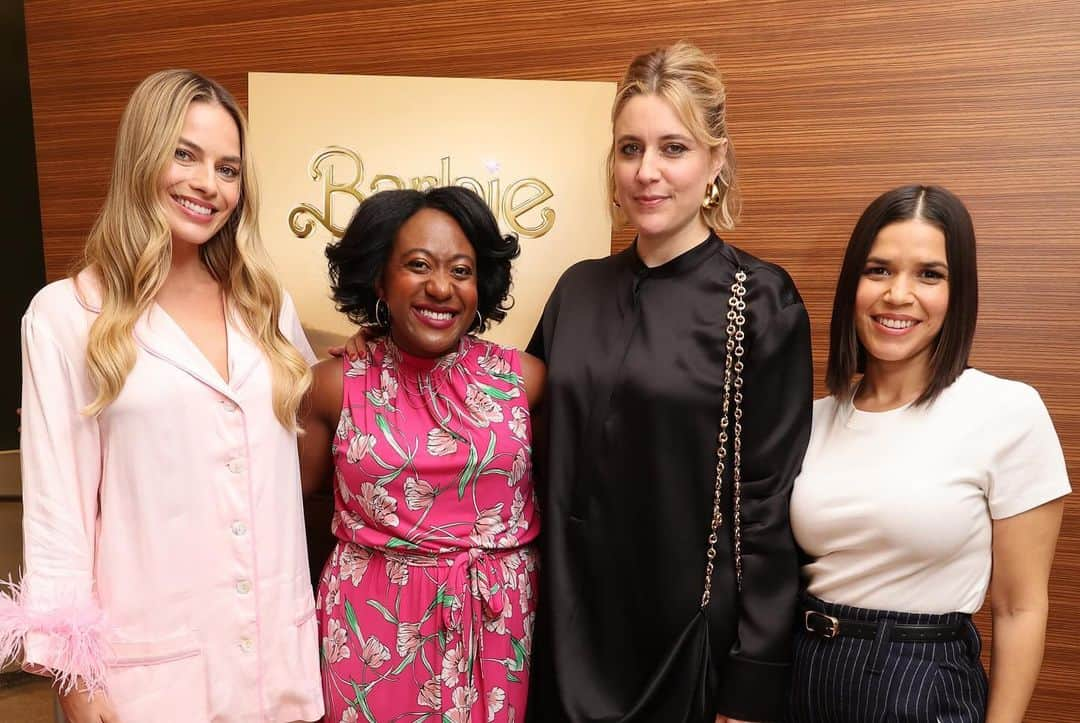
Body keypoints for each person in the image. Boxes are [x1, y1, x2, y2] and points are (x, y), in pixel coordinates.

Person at [0, 70, 323, 723]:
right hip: (146, 682)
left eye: (228, 167)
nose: (209, 183)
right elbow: (58, 512)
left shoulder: (268, 307)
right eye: (185, 154)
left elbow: (311, 451)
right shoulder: (64, 316)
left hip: (278, 665)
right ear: (140, 157)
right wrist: (75, 682)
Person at [525, 42, 812, 723]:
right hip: (563, 638)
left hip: (687, 652)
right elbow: (509, 425)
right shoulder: (577, 290)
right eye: (630, 149)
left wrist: (753, 678)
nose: (646, 172)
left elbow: (768, 508)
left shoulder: (761, 299)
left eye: (673, 148)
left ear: (715, 160)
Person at [787, 185, 1070, 722]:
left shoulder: (1007, 411)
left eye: (929, 274)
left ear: (957, 291)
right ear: (853, 284)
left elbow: (1020, 607)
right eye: (879, 270)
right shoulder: (812, 419)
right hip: (803, 672)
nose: (898, 294)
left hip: (922, 683)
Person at [299, 186, 545, 723]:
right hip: (371, 634)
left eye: (461, 270)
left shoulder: (525, 381)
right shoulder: (332, 387)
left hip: (497, 630)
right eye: (417, 265)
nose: (441, 287)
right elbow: (285, 518)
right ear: (380, 279)